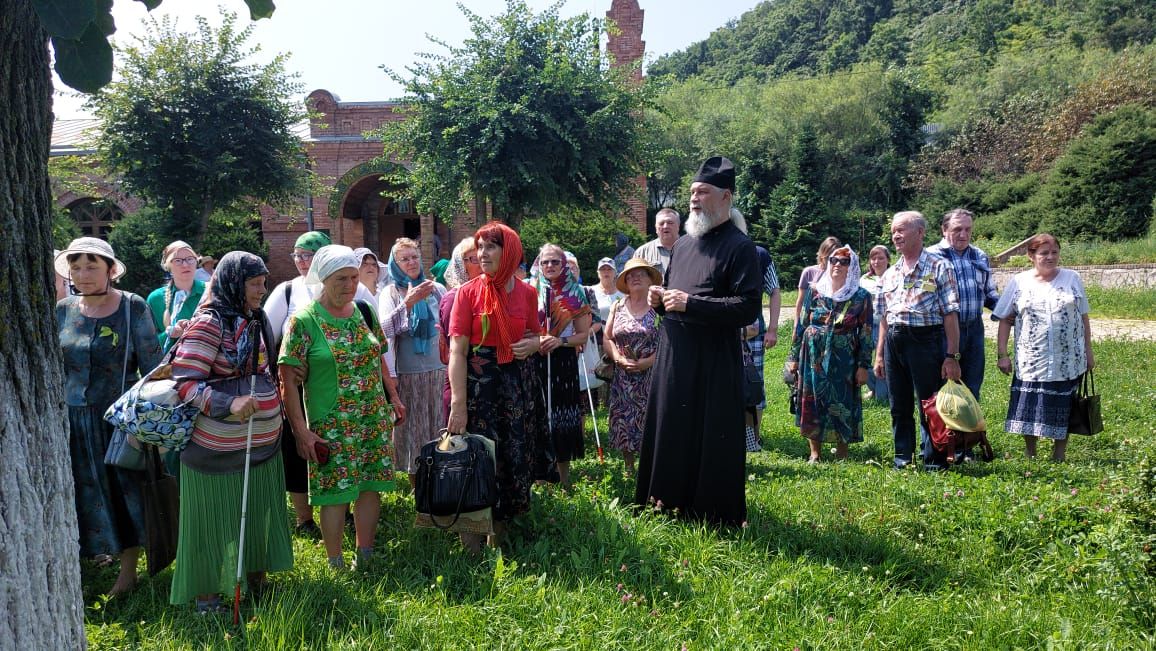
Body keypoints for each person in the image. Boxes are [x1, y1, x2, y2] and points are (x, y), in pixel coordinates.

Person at [635, 156, 761, 527]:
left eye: (702, 192)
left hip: (713, 361)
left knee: (709, 434)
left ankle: (710, 513)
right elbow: (676, 303)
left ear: (725, 197)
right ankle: (664, 502)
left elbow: (747, 307)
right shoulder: (684, 246)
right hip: (675, 356)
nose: (694, 199)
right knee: (673, 427)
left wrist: (692, 303)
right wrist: (661, 302)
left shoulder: (741, 248)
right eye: (691, 192)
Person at [167, 252, 291, 612]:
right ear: (234, 283)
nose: (261, 290)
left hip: (261, 445)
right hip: (216, 451)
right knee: (212, 521)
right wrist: (228, 404)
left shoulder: (255, 318)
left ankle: (257, 579)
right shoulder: (209, 323)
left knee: (255, 512)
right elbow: (184, 383)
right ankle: (207, 595)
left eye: (263, 282)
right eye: (254, 283)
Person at [265, 231, 410, 537]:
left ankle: (365, 552)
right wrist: (300, 430)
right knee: (335, 493)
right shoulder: (303, 321)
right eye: (340, 279)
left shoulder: (364, 312)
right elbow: (287, 380)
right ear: (323, 278)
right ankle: (335, 562)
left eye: (354, 278)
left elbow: (378, 356)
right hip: (331, 419)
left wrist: (393, 396)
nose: (350, 286)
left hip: (370, 416)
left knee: (370, 487)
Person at [55, 237, 163, 596]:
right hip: (72, 421)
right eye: (76, 267)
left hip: (117, 420)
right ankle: (89, 561)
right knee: (80, 491)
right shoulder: (63, 310)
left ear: (110, 270)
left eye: (91, 266)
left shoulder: (132, 307)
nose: (82, 274)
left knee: (123, 491)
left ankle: (129, 572)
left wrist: (145, 420)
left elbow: (154, 368)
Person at [447, 222, 553, 551]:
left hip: (518, 387)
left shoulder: (527, 292)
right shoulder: (467, 293)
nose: (482, 254)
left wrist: (533, 345)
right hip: (480, 389)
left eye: (491, 246)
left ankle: (499, 538)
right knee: (475, 462)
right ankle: (471, 549)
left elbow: (538, 335)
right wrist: (458, 404)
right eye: (479, 247)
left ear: (510, 252)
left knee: (511, 458)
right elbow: (457, 352)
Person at [873, 211, 962, 471]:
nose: (896, 236)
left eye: (901, 230)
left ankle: (934, 460)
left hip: (926, 340)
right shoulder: (889, 273)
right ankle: (903, 459)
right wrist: (879, 355)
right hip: (894, 342)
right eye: (893, 231)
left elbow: (950, 314)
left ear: (920, 233)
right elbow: (884, 318)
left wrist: (952, 355)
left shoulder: (939, 266)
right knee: (898, 404)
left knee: (930, 403)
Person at [994, 234, 1094, 462]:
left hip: (1067, 358)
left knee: (1064, 404)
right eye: (1044, 253)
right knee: (1029, 404)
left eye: (1054, 252)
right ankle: (1031, 453)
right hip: (1031, 357)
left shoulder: (1072, 278)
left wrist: (1089, 351)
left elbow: (1083, 316)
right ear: (1031, 256)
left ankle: (1059, 453)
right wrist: (1002, 354)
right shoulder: (1019, 281)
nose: (1050, 257)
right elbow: (1005, 319)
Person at [786, 245, 874, 462]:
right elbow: (802, 324)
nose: (837, 265)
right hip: (812, 352)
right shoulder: (815, 291)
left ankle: (842, 453)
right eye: (834, 260)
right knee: (812, 398)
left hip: (844, 356)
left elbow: (865, 333)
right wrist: (793, 357)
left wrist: (864, 366)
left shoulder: (861, 296)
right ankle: (815, 453)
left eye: (844, 262)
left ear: (851, 266)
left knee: (843, 401)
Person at [379, 238, 444, 484]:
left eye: (414, 257)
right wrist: (408, 303)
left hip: (438, 370)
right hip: (407, 374)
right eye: (404, 259)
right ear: (395, 264)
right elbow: (382, 329)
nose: (411, 262)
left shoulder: (435, 289)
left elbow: (447, 326)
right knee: (413, 432)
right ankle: (417, 490)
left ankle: (441, 483)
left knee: (438, 428)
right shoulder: (391, 292)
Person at [531, 243, 594, 490]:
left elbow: (583, 336)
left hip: (563, 360)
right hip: (536, 358)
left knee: (561, 417)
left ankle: (563, 480)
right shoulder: (530, 289)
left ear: (563, 264)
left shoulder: (575, 293)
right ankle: (539, 478)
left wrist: (560, 340)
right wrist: (537, 341)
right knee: (537, 417)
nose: (549, 266)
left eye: (554, 262)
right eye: (545, 262)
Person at [927, 208, 1000, 403]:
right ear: (944, 229)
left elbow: (989, 294)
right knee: (943, 389)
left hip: (974, 329)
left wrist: (1009, 311)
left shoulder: (979, 255)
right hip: (942, 331)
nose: (963, 234)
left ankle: (969, 433)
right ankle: (944, 433)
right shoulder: (930, 257)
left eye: (968, 229)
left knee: (972, 388)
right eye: (957, 229)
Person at [604, 258, 660, 475]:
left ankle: (651, 467)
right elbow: (607, 338)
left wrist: (648, 362)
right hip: (623, 377)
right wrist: (617, 358)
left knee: (651, 420)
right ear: (625, 281)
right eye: (630, 274)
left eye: (641, 273)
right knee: (624, 419)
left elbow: (670, 342)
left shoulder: (659, 308)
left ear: (650, 279)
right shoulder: (617, 306)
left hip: (651, 376)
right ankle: (629, 467)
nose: (635, 277)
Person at [439, 237, 483, 420]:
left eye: (482, 257)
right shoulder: (454, 298)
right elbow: (455, 348)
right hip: (463, 385)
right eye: (474, 259)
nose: (481, 263)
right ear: (460, 264)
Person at [146, 241, 207, 352]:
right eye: (178, 261)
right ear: (168, 266)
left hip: (209, 364)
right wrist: (169, 334)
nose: (185, 264)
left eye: (190, 259)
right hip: (172, 367)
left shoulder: (210, 292)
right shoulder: (155, 299)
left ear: (196, 262)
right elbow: (147, 345)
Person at [859, 244, 892, 404]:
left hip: (886, 326)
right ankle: (873, 388)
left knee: (883, 360)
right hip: (867, 326)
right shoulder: (864, 280)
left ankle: (882, 394)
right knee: (862, 357)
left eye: (881, 258)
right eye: (873, 258)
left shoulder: (894, 276)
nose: (877, 261)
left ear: (888, 260)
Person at [795, 236, 842, 321]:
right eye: (828, 257)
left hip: (835, 320)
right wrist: (796, 326)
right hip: (811, 321)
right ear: (822, 255)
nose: (831, 261)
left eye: (835, 257)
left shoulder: (841, 273)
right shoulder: (809, 272)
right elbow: (800, 302)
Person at [635, 208, 680, 276]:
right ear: (656, 228)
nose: (665, 226)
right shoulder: (642, 253)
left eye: (670, 223)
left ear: (678, 226)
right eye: (661, 223)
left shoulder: (691, 249)